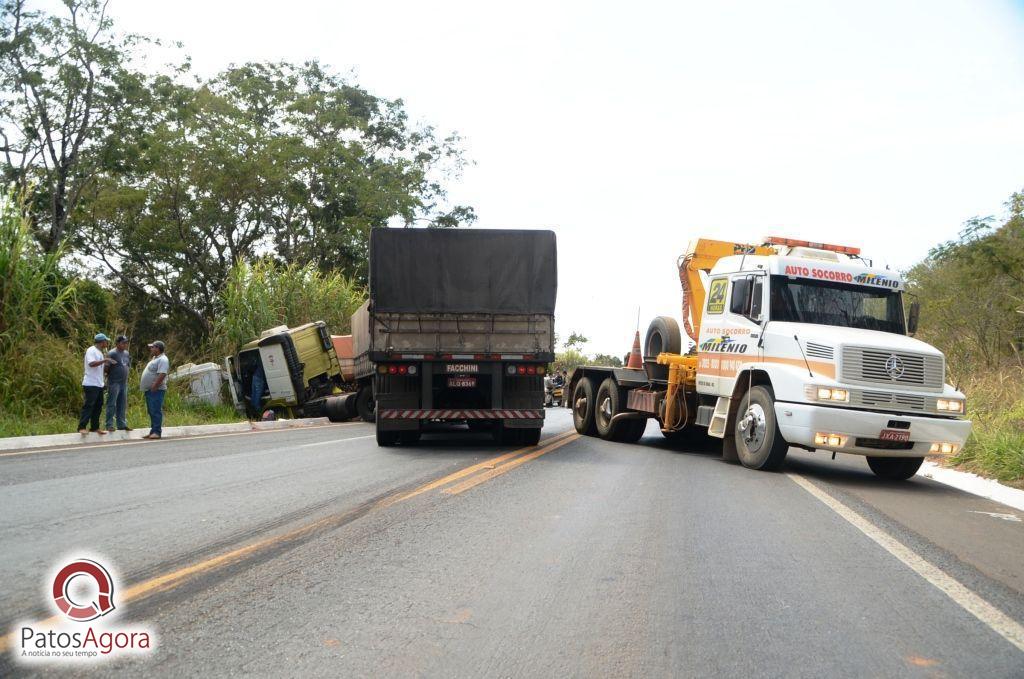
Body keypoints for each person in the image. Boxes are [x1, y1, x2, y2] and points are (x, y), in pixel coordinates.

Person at [79, 333, 115, 434]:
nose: (107, 343)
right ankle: (81, 427)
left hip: (99, 384)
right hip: (91, 383)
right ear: (102, 342)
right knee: (89, 405)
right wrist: (105, 360)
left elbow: (100, 368)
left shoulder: (100, 352)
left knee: (98, 406)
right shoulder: (91, 350)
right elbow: (91, 363)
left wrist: (107, 367)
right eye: (106, 341)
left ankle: (95, 427)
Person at [140, 340, 169, 440]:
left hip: (157, 390)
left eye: (152, 347)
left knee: (156, 410)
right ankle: (153, 431)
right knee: (151, 410)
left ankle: (157, 432)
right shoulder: (155, 358)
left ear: (157, 348)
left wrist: (155, 386)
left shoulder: (163, 360)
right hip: (150, 390)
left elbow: (162, 374)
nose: (151, 349)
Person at [104, 335, 132, 432]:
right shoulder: (112, 353)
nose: (125, 344)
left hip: (123, 383)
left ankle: (121, 424)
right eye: (123, 343)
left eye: (126, 343)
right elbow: (106, 368)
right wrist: (108, 377)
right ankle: (109, 424)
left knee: (122, 404)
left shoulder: (126, 353)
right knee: (112, 403)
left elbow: (128, 365)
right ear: (117, 343)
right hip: (114, 382)